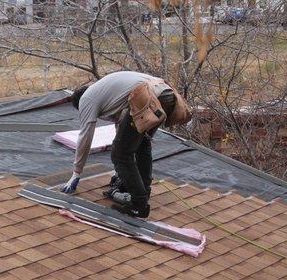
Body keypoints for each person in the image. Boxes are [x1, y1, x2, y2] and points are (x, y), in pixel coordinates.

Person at [62, 71, 191, 217]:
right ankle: (141, 191)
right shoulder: (108, 92)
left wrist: (77, 172)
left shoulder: (87, 98)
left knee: (120, 154)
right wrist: (122, 173)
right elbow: (122, 128)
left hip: (148, 96)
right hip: (167, 94)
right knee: (142, 143)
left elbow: (86, 135)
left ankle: (138, 204)